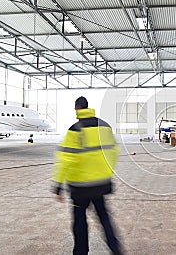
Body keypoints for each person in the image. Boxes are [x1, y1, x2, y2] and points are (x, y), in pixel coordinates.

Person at [52, 96, 123, 255]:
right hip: (101, 183)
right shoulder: (104, 126)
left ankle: (80, 252)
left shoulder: (75, 129)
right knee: (104, 219)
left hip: (80, 188)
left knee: (79, 221)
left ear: (77, 108)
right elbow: (114, 151)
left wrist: (58, 185)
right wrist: (106, 173)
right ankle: (117, 250)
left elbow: (65, 159)